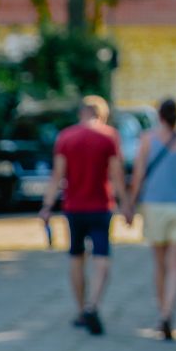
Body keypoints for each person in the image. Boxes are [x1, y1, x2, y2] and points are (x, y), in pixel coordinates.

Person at [39, 95, 127, 336]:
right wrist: (127, 204)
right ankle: (93, 305)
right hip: (101, 206)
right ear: (102, 114)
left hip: (74, 207)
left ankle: (80, 310)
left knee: (76, 257)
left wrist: (47, 206)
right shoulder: (109, 136)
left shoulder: (65, 137)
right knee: (102, 257)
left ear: (81, 113)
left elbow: (57, 175)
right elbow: (117, 174)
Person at [127, 99, 176, 341]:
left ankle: (161, 312)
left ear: (159, 116)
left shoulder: (147, 139)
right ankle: (169, 312)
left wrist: (130, 204)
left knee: (160, 264)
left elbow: (138, 175)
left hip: (154, 205)